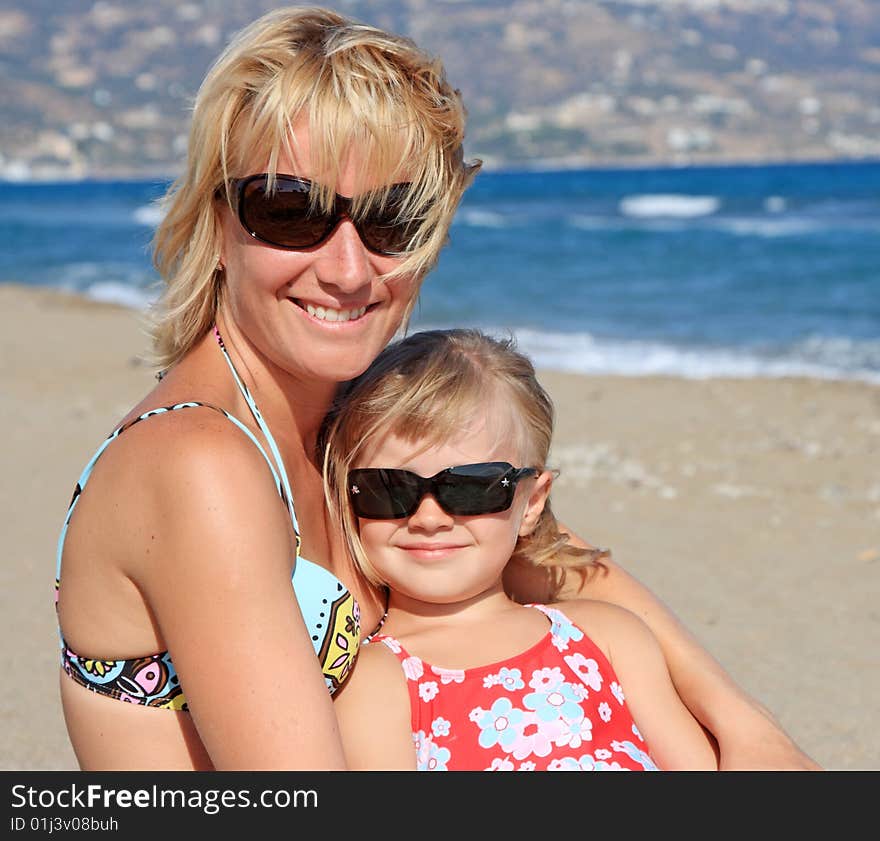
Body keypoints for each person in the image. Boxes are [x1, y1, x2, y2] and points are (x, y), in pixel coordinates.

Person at [54, 5, 818, 770]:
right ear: (218, 223)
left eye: (392, 218)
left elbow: (552, 553)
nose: (348, 269)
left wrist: (748, 727)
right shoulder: (200, 463)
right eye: (291, 210)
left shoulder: (336, 418)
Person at [324, 328, 721, 770]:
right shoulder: (375, 681)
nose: (429, 518)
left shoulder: (606, 638)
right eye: (389, 488)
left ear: (531, 502)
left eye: (471, 486)